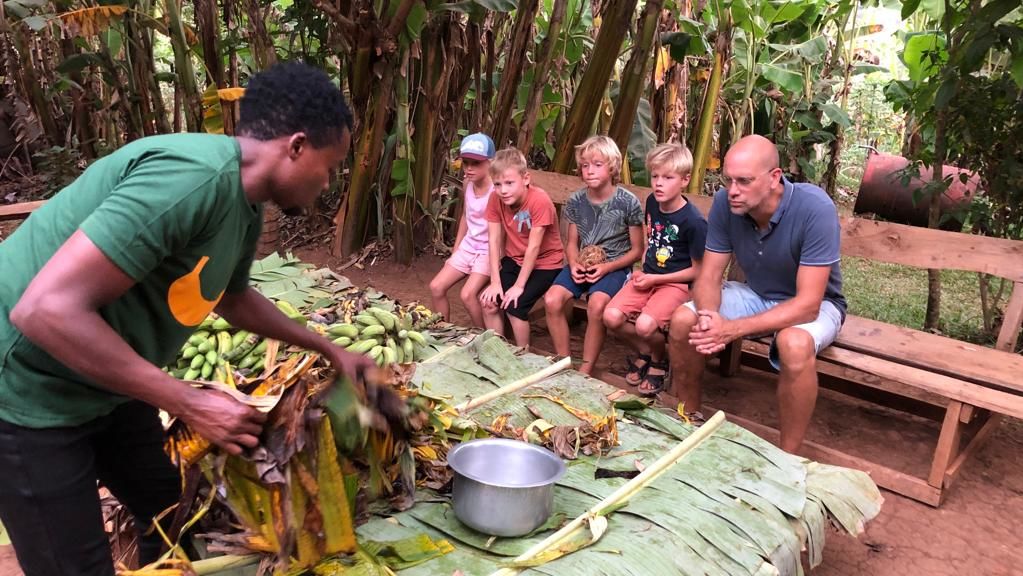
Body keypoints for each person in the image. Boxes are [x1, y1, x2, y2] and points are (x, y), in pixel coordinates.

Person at [0, 61, 377, 576]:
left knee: (169, 513)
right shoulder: (190, 179)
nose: (328, 183)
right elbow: (43, 310)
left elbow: (232, 296)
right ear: (295, 146)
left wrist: (327, 346)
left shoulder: (245, 205)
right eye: (330, 166)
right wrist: (186, 400)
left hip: (101, 379)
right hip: (25, 392)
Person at [668, 135, 845, 452]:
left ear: (774, 177)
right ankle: (689, 420)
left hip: (816, 305)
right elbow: (709, 274)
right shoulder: (726, 203)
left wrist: (730, 329)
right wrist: (711, 319)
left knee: (793, 343)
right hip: (757, 293)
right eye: (729, 180)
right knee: (684, 320)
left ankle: (788, 456)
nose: (733, 190)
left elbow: (808, 305)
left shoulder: (814, 208)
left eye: (744, 181)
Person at [603, 143, 706, 396]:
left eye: (668, 178)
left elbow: (698, 271)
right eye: (655, 176)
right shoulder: (651, 202)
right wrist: (643, 271)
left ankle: (659, 359)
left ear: (685, 180)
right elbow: (652, 241)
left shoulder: (693, 222)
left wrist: (655, 279)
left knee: (645, 325)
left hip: (676, 284)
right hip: (648, 277)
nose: (659, 183)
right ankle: (646, 351)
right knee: (611, 317)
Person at [543, 135, 644, 375]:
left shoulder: (627, 202)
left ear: (612, 167)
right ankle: (563, 359)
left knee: (597, 304)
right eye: (585, 165)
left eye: (597, 165)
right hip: (583, 263)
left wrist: (607, 268)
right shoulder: (577, 200)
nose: (590, 171)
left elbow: (637, 250)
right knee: (552, 299)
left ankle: (586, 369)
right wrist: (574, 263)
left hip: (614, 266)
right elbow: (572, 241)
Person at [479, 148, 564, 347]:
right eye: (498, 184)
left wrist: (518, 287)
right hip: (514, 259)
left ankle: (521, 352)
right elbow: (493, 240)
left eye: (509, 183)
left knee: (515, 305)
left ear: (526, 178)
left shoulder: (539, 200)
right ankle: (498, 351)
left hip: (546, 264)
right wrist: (495, 281)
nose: (503, 190)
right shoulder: (495, 199)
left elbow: (534, 247)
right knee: (489, 302)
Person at [429, 133, 496, 327]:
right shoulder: (467, 183)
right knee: (436, 287)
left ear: (490, 163)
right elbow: (466, 216)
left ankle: (480, 335)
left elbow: (501, 229)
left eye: (476, 163)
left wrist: (498, 258)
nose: (469, 168)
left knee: (467, 295)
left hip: (488, 250)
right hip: (469, 245)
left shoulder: (497, 190)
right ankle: (444, 332)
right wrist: (456, 249)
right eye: (466, 163)